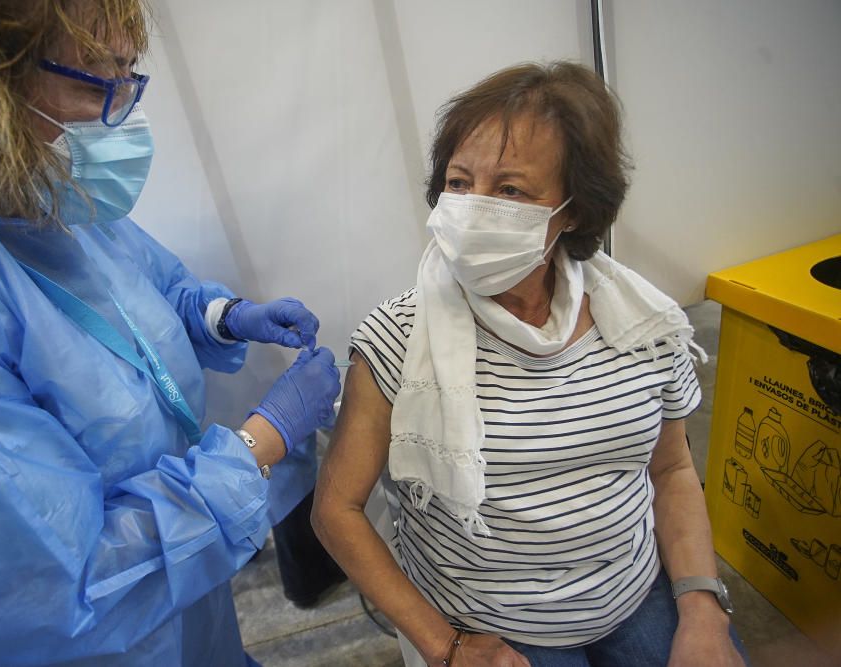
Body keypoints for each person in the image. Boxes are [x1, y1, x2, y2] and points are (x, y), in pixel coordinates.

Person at [0, 1, 340, 665]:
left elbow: (123, 287)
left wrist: (219, 314)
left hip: (182, 621)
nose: (125, 108)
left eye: (131, 72)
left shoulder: (14, 179)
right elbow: (61, 591)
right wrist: (261, 439)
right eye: (96, 81)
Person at [313, 62, 750, 667]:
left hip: (633, 591)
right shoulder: (400, 337)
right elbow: (336, 510)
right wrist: (447, 646)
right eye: (459, 182)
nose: (472, 209)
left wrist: (702, 607)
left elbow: (671, 469)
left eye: (511, 190)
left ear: (572, 210)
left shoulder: (642, 324)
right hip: (488, 623)